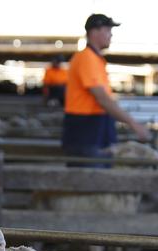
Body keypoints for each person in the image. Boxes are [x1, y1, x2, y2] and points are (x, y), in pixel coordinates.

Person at [62, 13, 149, 167]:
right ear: (94, 32)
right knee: (90, 178)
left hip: (94, 128)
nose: (111, 34)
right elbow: (102, 98)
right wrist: (132, 123)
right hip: (86, 131)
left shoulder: (95, 59)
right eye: (107, 30)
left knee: (98, 175)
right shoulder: (86, 58)